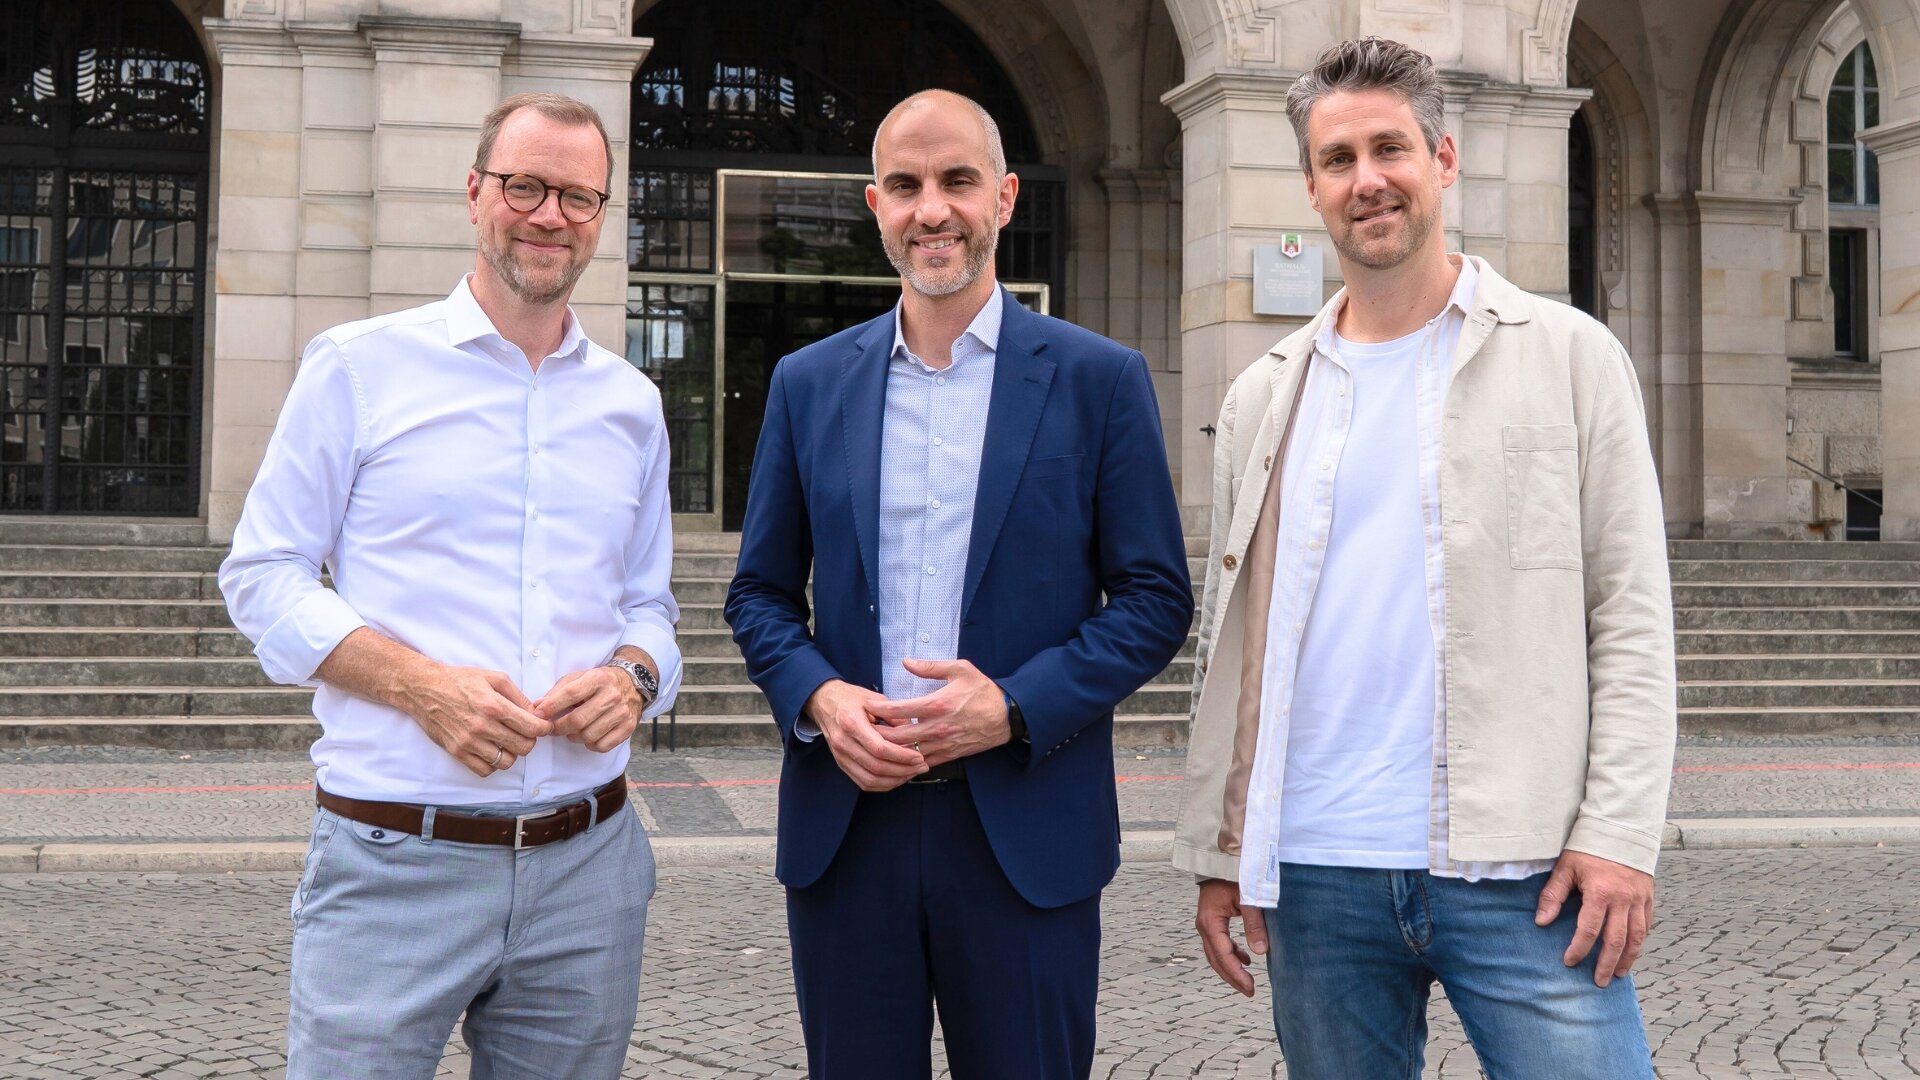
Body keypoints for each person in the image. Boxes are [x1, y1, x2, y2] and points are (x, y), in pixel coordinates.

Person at [1176, 37, 1676, 1080]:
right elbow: (1238, 644)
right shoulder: (1266, 393)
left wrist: (1621, 833)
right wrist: (1223, 856)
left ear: (1443, 159)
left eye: (1390, 148)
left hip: (1526, 866)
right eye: (1340, 159)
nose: (1369, 180)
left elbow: (1629, 613)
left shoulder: (1571, 357)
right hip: (1316, 873)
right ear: (1311, 185)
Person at [724, 89, 1192, 1080]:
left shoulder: (1099, 379)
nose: (931, 208)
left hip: (1024, 830)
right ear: (875, 205)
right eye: (906, 185)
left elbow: (1155, 598)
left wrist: (1016, 707)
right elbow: (759, 593)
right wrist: (818, 696)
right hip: (849, 831)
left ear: (1006, 198)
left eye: (957, 181)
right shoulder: (808, 383)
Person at [219, 92, 679, 1080]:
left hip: (588, 868)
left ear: (602, 217)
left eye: (578, 196)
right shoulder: (358, 370)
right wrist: (421, 687)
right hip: (394, 861)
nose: (549, 214)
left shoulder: (632, 406)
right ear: (476, 194)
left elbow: (649, 606)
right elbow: (263, 574)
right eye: (526, 186)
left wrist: (635, 679)